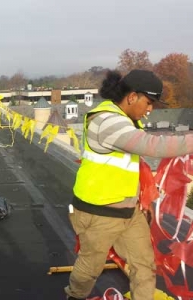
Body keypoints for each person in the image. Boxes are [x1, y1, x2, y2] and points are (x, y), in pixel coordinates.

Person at [65, 69, 193, 300]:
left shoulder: (124, 120)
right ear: (132, 96)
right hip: (98, 212)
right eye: (149, 102)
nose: (150, 109)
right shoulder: (106, 121)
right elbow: (153, 146)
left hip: (128, 212)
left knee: (144, 264)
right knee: (89, 268)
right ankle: (74, 296)